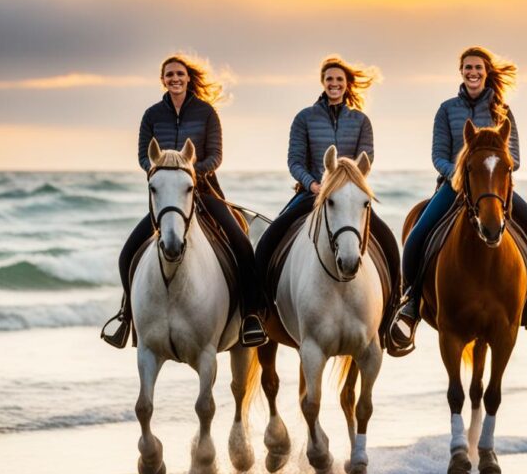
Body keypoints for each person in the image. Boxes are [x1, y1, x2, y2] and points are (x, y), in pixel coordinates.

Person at [388, 46, 527, 353]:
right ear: (461, 72)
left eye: (477, 67)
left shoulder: (502, 110)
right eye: (467, 68)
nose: (472, 72)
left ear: (486, 72)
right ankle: (410, 304)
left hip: (494, 188)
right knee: (417, 237)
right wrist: (459, 175)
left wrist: (492, 171)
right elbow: (438, 154)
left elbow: (513, 156)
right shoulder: (447, 109)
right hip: (454, 186)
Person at [101, 54, 267, 348]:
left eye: (179, 74)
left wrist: (191, 171)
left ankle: (250, 315)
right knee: (127, 253)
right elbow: (144, 156)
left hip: (204, 192)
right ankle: (127, 317)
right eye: (169, 75)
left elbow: (216, 156)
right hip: (166, 199)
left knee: (242, 246)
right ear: (163, 80)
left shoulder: (206, 113)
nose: (175, 79)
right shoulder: (152, 115)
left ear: (188, 78)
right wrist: (163, 170)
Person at [253, 55, 402, 341]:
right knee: (270, 238)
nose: (334, 84)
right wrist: (312, 185)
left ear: (347, 85)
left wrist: (346, 183)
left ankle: (392, 313)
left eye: (339, 80)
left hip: (348, 196)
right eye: (329, 79)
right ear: (323, 83)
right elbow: (295, 160)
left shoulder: (360, 120)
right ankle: (258, 311)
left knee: (387, 241)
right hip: (312, 194)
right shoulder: (304, 118)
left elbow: (365, 158)